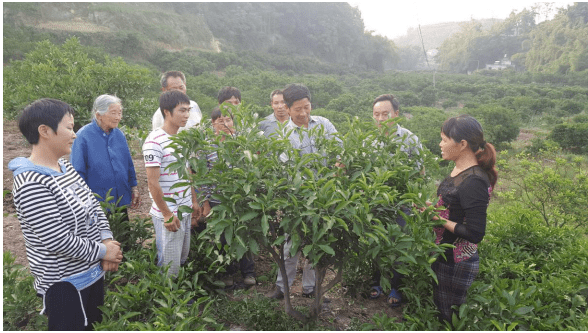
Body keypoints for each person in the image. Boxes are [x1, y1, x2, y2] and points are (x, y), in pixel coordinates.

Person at [9, 98, 123, 330]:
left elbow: (93, 205)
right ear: (45, 131)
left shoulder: (65, 166)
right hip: (65, 285)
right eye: (69, 128)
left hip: (92, 271)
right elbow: (57, 240)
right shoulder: (31, 182)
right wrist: (104, 251)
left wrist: (107, 240)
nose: (74, 134)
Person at [267, 83, 339, 302]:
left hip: (325, 198)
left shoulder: (324, 124)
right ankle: (282, 287)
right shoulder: (283, 135)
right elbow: (284, 173)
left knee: (316, 243)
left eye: (307, 107)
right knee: (291, 245)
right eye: (298, 109)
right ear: (287, 109)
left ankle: (310, 287)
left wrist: (336, 173)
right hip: (297, 200)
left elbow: (340, 152)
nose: (303, 113)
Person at [430, 115, 497, 323]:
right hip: (444, 255)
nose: (440, 144)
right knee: (442, 312)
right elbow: (453, 208)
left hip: (457, 262)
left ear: (462, 144)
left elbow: (475, 233)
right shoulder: (459, 169)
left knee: (450, 319)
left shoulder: (474, 180)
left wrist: (438, 219)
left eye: (444, 139)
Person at [369, 94, 424, 307]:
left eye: (385, 114)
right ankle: (376, 282)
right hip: (377, 204)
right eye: (376, 114)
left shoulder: (410, 138)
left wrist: (414, 197)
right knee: (377, 242)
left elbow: (420, 171)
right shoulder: (369, 140)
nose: (381, 119)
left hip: (402, 204)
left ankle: (396, 287)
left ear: (396, 114)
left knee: (399, 245)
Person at [195, 107, 257, 287]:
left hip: (239, 199)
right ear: (213, 124)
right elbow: (202, 177)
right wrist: (205, 203)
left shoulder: (241, 143)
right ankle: (226, 273)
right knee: (221, 237)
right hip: (216, 201)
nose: (225, 124)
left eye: (228, 120)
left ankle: (248, 272)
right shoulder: (206, 146)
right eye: (220, 121)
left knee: (243, 234)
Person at [143, 90, 200, 276]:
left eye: (188, 110)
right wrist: (167, 214)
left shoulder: (182, 139)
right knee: (169, 263)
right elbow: (153, 182)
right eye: (182, 110)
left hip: (184, 209)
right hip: (168, 212)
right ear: (167, 112)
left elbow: (187, 172)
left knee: (181, 257)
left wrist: (194, 200)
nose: (187, 115)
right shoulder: (154, 141)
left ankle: (177, 296)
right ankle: (167, 300)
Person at [71, 94, 140, 221]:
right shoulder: (82, 137)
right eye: (114, 113)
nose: (118, 117)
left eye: (120, 113)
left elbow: (128, 165)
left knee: (123, 237)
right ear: (98, 115)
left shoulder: (119, 135)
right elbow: (77, 172)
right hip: (97, 205)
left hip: (120, 201)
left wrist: (134, 187)